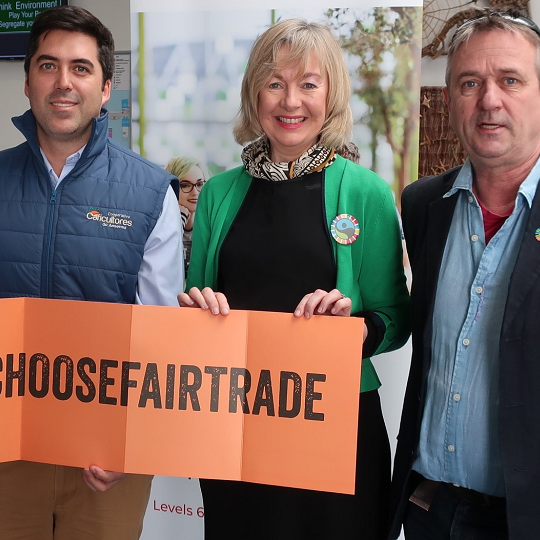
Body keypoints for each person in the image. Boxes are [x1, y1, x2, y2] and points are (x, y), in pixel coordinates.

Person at [0, 5, 183, 540]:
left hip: (105, 461)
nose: (63, 83)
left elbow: (160, 332)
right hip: (2, 451)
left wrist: (132, 444)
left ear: (105, 86)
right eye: (48, 66)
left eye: (81, 68)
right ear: (27, 80)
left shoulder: (149, 192)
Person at [178, 18, 410, 540]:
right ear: (254, 93)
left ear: (330, 95)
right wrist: (197, 315)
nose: (291, 100)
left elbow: (395, 319)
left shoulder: (366, 193)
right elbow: (194, 307)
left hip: (337, 431)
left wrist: (354, 329)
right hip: (237, 428)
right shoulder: (217, 194)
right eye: (275, 82)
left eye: (308, 83)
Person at [389, 11, 540, 540]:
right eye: (469, 82)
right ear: (451, 97)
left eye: (510, 80)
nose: (489, 100)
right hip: (433, 510)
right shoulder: (423, 204)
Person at [165, 156, 209, 275]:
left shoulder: (211, 225)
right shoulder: (160, 226)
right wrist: (179, 219)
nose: (195, 193)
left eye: (199, 184)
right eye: (185, 185)